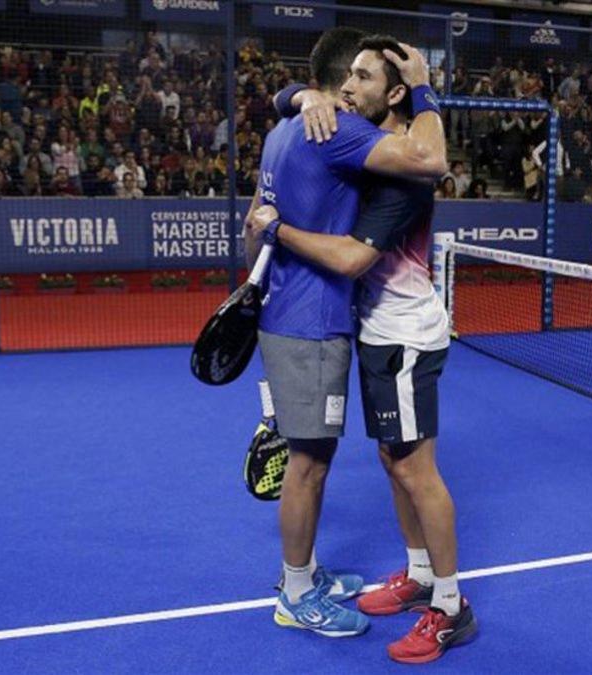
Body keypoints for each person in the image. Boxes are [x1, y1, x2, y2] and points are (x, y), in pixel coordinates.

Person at [250, 35, 474, 664]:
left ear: (395, 93)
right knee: (386, 461)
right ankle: (417, 572)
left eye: (364, 78)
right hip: (360, 329)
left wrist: (275, 226)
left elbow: (354, 255)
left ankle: (450, 606)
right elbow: (288, 99)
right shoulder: (348, 138)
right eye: (342, 77)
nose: (348, 88)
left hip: (399, 333)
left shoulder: (392, 165)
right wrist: (301, 94)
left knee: (409, 468)